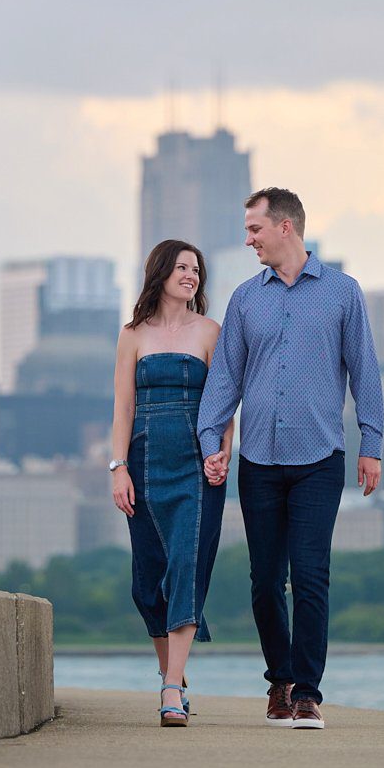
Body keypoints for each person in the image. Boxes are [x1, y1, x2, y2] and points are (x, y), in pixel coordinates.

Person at [197, 188, 384, 729]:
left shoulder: (343, 293)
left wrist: (371, 446)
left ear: (286, 228)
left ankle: (307, 693)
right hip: (258, 459)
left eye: (254, 229)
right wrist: (213, 443)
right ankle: (278, 680)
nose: (247, 239)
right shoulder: (244, 300)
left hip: (320, 456)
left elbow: (365, 373)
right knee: (263, 581)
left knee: (310, 574)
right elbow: (225, 379)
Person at [111, 239, 234, 727]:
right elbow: (122, 407)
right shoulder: (132, 334)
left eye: (197, 269)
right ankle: (175, 679)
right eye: (182, 267)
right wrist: (117, 467)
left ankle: (168, 689)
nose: (191, 275)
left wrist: (222, 452)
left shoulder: (210, 331)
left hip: (197, 466)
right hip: (143, 462)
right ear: (160, 272)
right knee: (147, 581)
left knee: (186, 566)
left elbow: (224, 402)